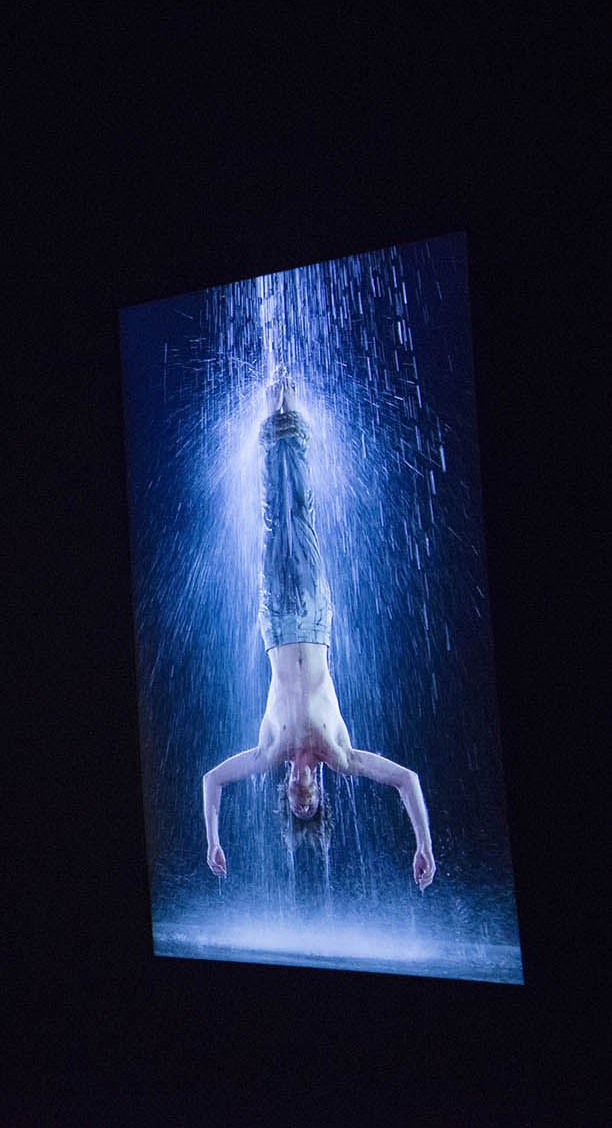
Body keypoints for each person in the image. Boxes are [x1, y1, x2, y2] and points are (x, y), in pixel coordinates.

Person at [201, 375, 436, 890]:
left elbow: (212, 780)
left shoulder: (270, 752)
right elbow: (406, 780)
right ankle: (292, 416)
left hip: (278, 622)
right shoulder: (342, 754)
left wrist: (214, 839)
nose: (304, 797)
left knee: (273, 518)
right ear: (320, 793)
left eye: (296, 803)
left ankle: (271, 413)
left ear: (287, 792)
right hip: (313, 616)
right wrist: (424, 844)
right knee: (301, 515)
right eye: (312, 804)